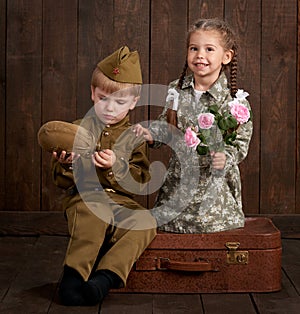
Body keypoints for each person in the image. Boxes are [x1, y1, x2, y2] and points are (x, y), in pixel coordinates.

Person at [46, 46, 157, 306]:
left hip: (122, 203)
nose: (110, 108)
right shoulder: (74, 130)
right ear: (92, 94)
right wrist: (68, 165)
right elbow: (60, 182)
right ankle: (72, 278)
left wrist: (117, 166)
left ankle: (105, 279)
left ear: (133, 102)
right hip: (86, 199)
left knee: (146, 222)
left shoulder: (135, 138)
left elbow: (140, 182)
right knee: (93, 213)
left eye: (119, 102)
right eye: (103, 98)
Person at [134, 18, 253, 233]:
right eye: (194, 48)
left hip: (213, 183)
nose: (200, 55)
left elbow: (240, 143)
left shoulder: (234, 102)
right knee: (170, 225)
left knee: (207, 225)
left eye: (209, 49)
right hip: (179, 178)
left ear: (227, 56)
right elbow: (167, 126)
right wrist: (151, 134)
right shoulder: (176, 91)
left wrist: (225, 155)